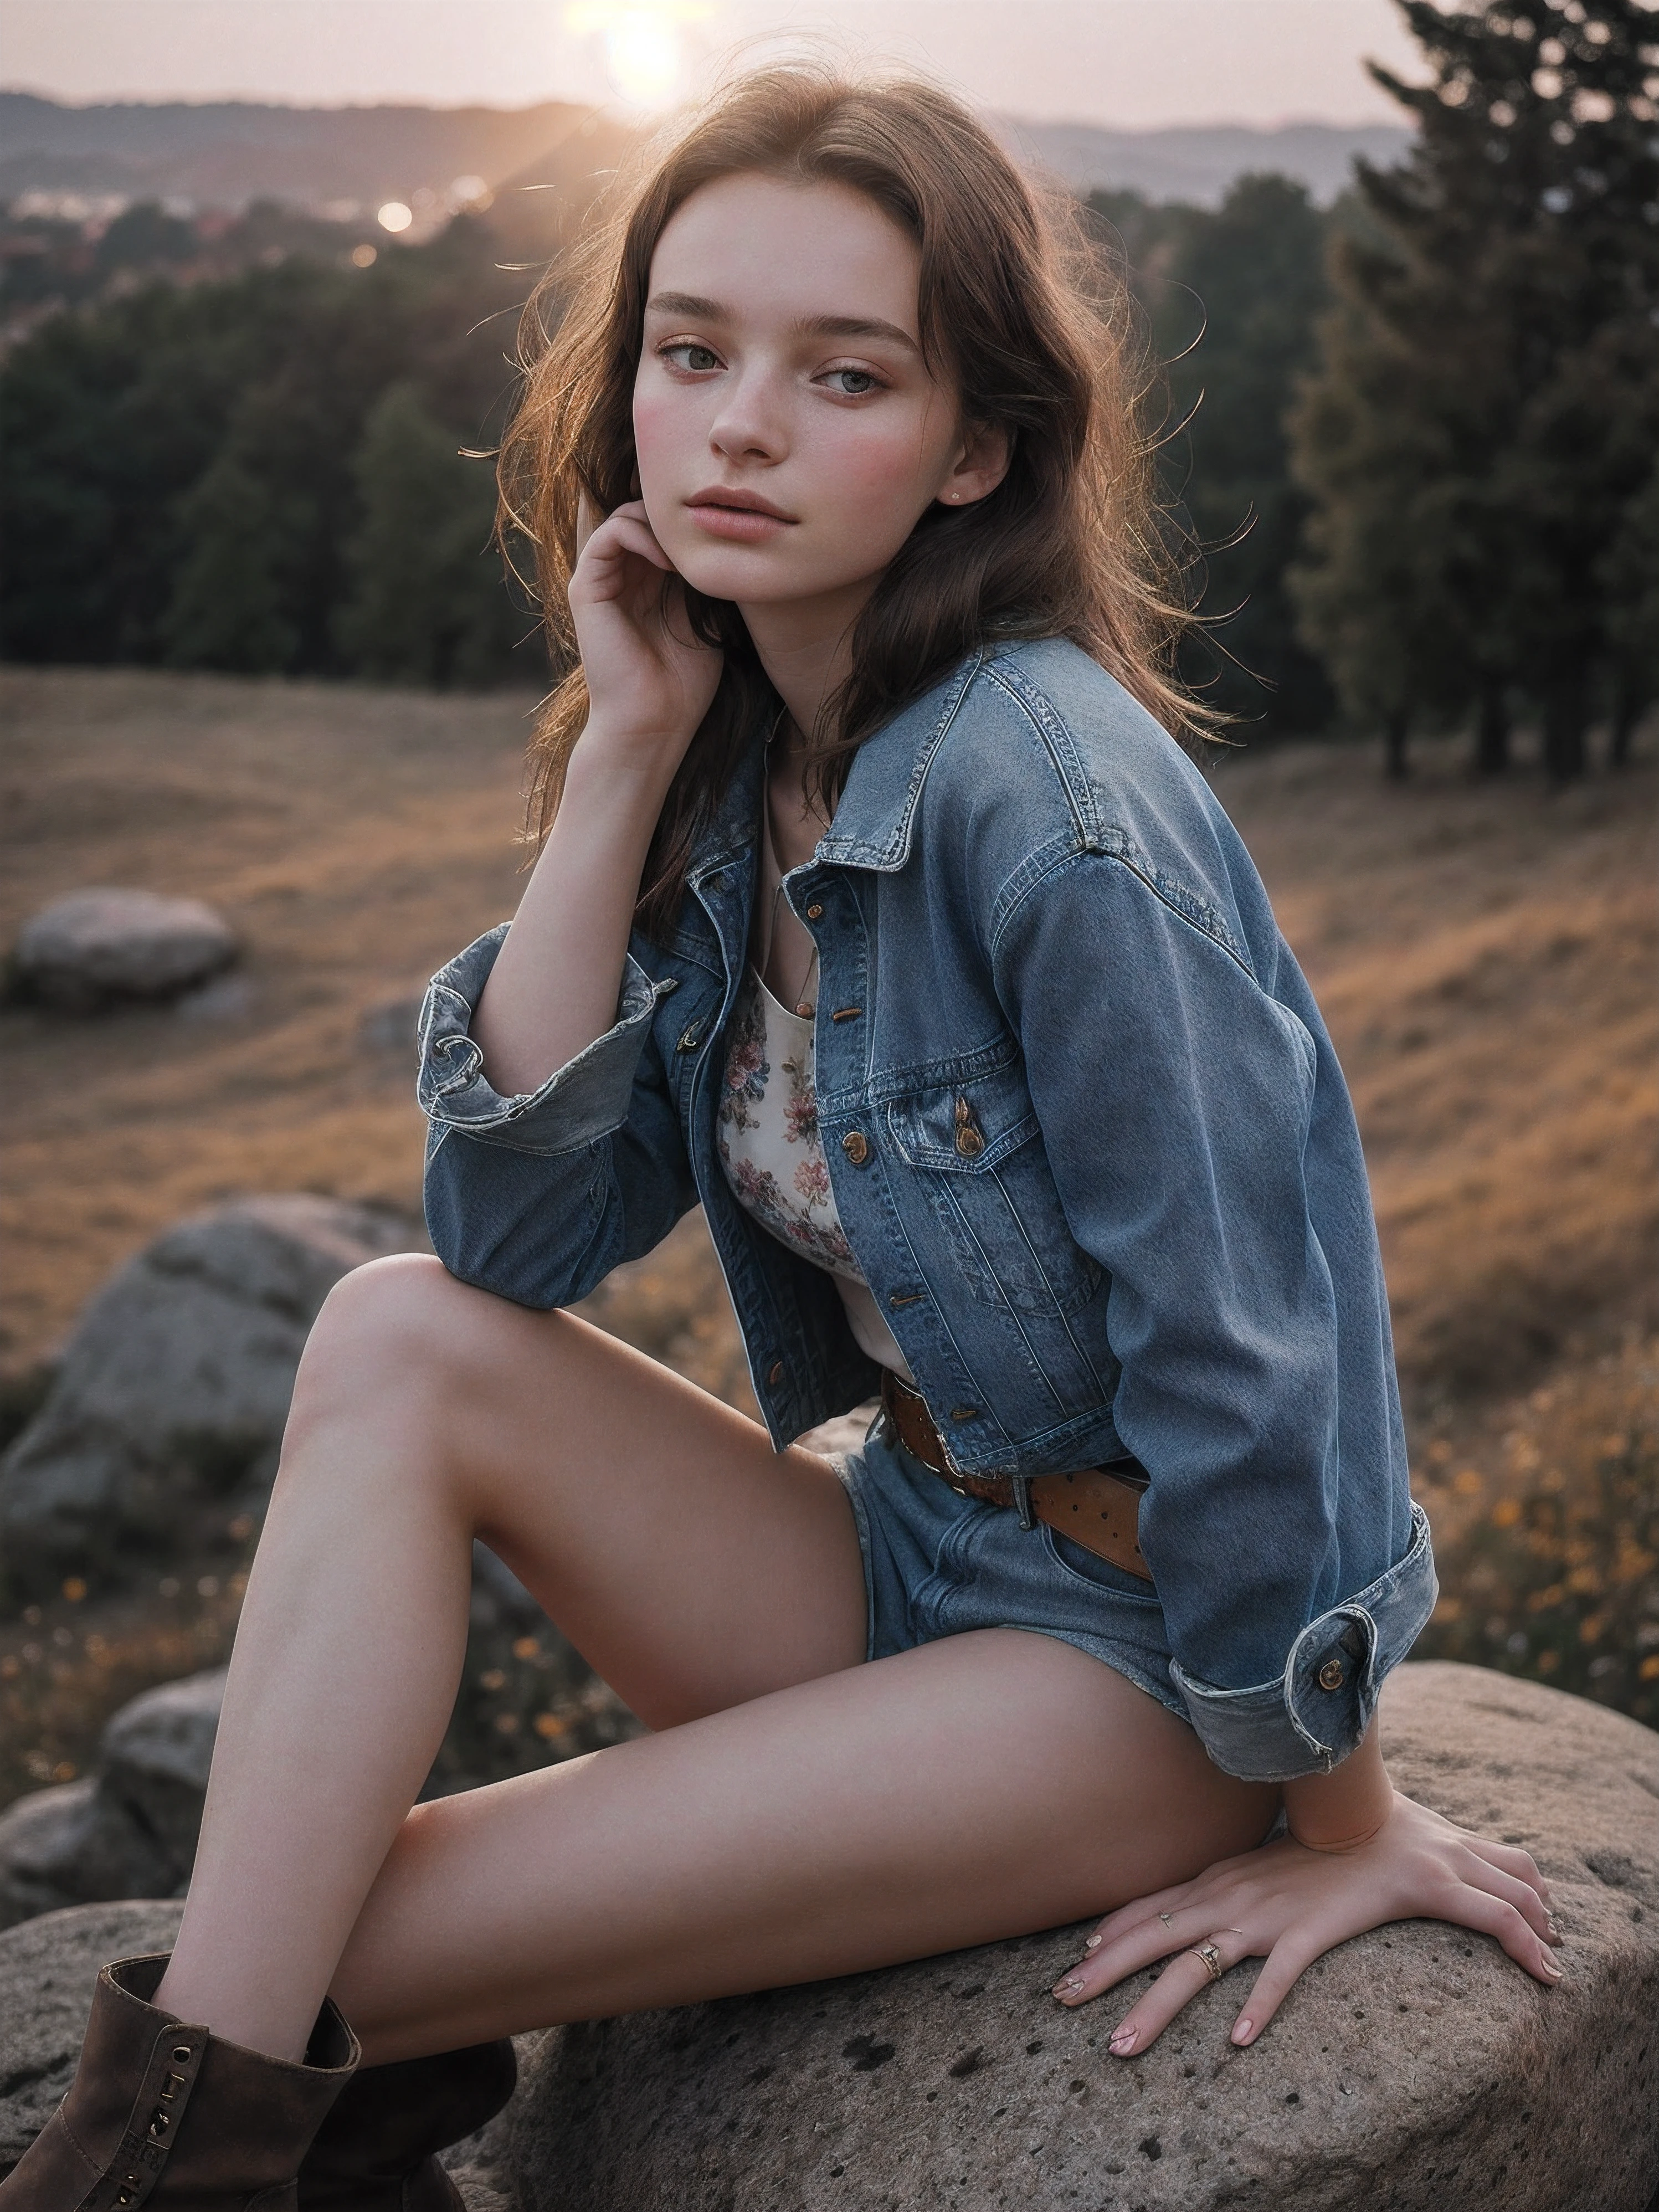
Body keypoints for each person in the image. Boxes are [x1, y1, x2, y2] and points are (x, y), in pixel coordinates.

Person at [3, 65, 1560, 2211]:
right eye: (690, 350)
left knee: (290, 1954)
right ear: (624, 383)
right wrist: (624, 751)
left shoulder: (1055, 809)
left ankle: (173, 2172)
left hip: (1117, 1664)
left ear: (973, 449)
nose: (739, 424)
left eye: (843, 375)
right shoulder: (742, 748)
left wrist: (1342, 1813)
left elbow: (1256, 1342)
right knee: (392, 1331)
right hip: (900, 1543)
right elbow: (514, 1235)